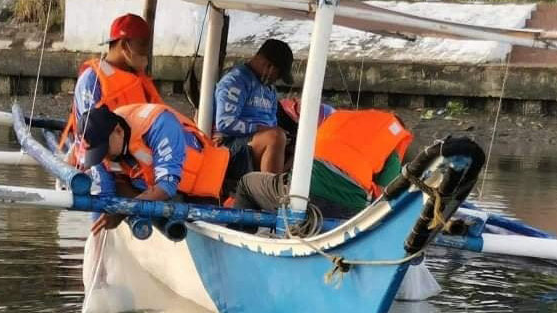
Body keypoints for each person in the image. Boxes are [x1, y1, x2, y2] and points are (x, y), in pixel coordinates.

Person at [233, 106, 413, 220]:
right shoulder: (393, 138)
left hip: (302, 195)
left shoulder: (341, 118)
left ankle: (244, 239)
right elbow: (385, 195)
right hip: (349, 209)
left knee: (247, 183)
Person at [79, 103, 230, 235]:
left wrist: (123, 210)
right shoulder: (102, 145)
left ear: (118, 131)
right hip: (150, 188)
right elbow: (104, 197)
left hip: (206, 191)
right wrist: (98, 225)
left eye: (104, 150)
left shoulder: (161, 125)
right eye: (97, 153)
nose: (103, 157)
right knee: (117, 188)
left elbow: (167, 187)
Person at [60, 13, 162, 165]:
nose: (145, 53)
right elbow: (90, 136)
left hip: (137, 165)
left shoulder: (141, 81)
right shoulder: (92, 79)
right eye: (142, 45)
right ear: (123, 45)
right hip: (101, 163)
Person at [214, 39, 295, 177]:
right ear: (269, 66)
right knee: (275, 137)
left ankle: (283, 187)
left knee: (304, 147)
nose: (277, 79)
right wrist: (264, 130)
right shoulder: (236, 81)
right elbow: (224, 123)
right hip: (231, 147)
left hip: (257, 144)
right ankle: (269, 192)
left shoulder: (269, 89)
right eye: (278, 75)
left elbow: (272, 122)